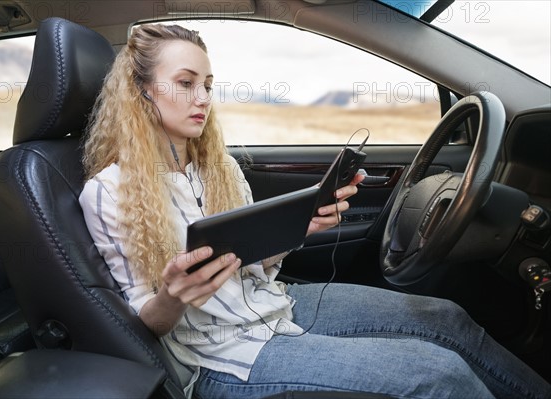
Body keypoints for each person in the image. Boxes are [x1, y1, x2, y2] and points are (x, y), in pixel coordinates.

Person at [78, 23, 551, 399]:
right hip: (221, 356)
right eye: (185, 84)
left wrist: (296, 229)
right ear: (140, 92)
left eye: (208, 84)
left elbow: (255, 265)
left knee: (446, 318)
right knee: (438, 373)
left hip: (274, 306)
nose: (203, 98)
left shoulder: (216, 165)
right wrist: (174, 295)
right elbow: (145, 322)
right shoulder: (108, 191)